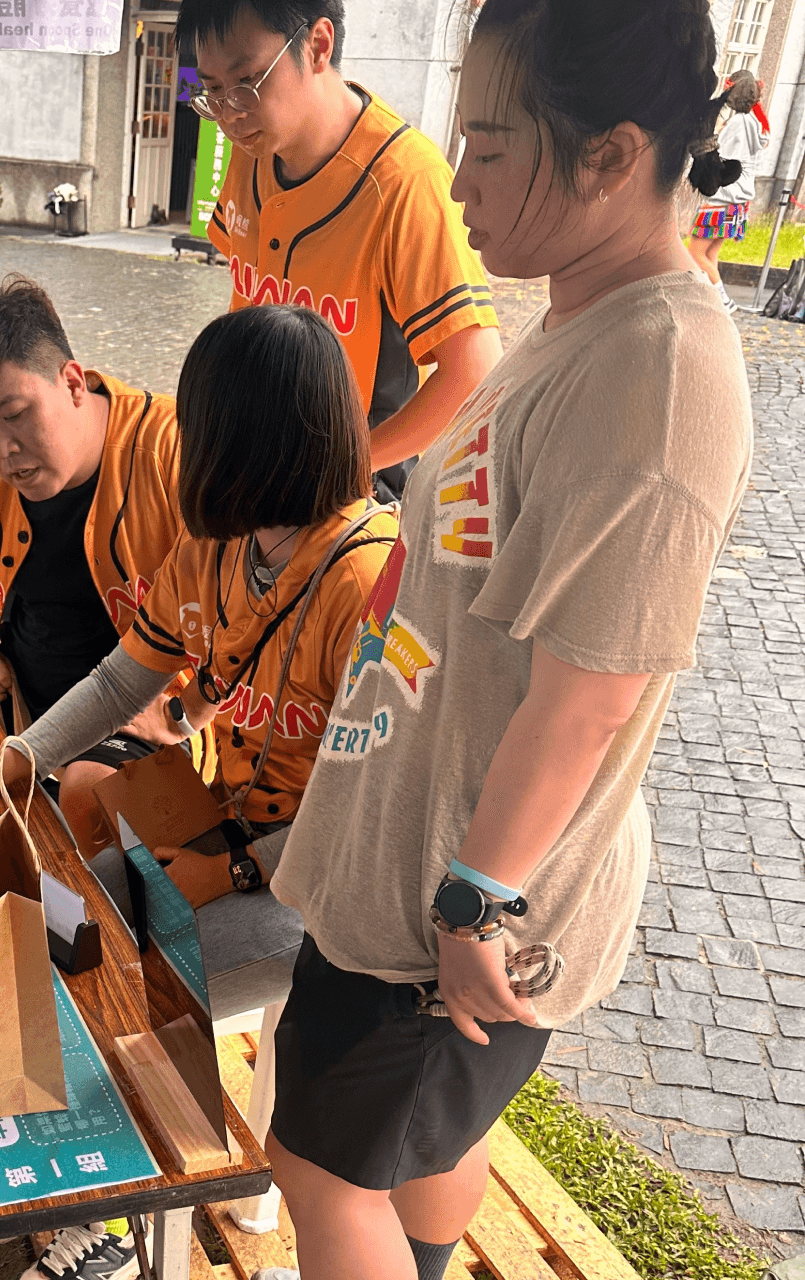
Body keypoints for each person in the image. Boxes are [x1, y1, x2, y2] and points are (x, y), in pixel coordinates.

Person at [248, 0, 754, 1276]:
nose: (457, 177)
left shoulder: (659, 372)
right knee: (416, 1141)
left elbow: (594, 689)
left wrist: (476, 901)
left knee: (319, 1166)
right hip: (415, 862)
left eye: (486, 145)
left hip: (459, 910)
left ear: (609, 155)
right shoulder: (583, 307)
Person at [0, 304, 397, 1280]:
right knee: (56, 906)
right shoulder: (221, 544)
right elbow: (121, 679)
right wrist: (12, 763)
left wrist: (233, 868)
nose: (182, 442)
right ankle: (100, 1182)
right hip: (234, 827)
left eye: (200, 424)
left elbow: (374, 811)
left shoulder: (372, 581)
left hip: (316, 890)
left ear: (253, 437)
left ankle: (116, 1228)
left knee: (104, 983)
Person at [0, 277, 196, 856]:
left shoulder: (176, 452)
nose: (1, 450)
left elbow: (253, 605)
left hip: (143, 717)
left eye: (15, 414)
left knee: (93, 797)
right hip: (18, 701)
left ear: (72, 382)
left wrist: (189, 713)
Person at [180, 0, 503, 499]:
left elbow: (474, 371)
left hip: (356, 490)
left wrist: (344, 468)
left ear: (317, 45)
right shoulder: (253, 150)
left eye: (247, 82)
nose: (231, 115)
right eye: (214, 91)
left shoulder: (404, 182)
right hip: (260, 469)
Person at [685, 70, 769, 313]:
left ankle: (722, 301)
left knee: (696, 253)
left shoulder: (738, 125)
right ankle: (715, 299)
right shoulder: (754, 123)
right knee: (710, 254)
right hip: (737, 203)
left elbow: (719, 159)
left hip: (722, 200)